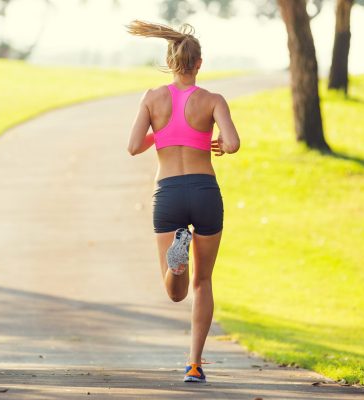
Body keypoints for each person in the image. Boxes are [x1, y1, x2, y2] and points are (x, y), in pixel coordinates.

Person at [125, 20, 240, 384]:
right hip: (205, 192)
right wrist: (218, 141)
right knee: (203, 282)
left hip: (169, 193)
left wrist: (161, 135)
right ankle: (194, 364)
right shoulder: (213, 100)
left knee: (176, 291)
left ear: (170, 61)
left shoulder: (152, 97)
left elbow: (132, 146)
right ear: (199, 63)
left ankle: (177, 263)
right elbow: (233, 143)